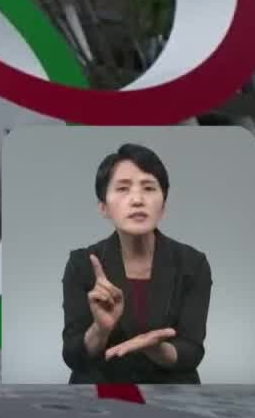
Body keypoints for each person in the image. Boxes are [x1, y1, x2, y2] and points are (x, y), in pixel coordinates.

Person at [60, 142, 211, 384]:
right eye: (123, 189)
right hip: (100, 394)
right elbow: (72, 356)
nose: (137, 199)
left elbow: (191, 351)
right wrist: (100, 329)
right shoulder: (82, 263)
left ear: (163, 206)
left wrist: (154, 348)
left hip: (169, 395)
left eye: (149, 188)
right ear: (104, 208)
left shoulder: (193, 264)